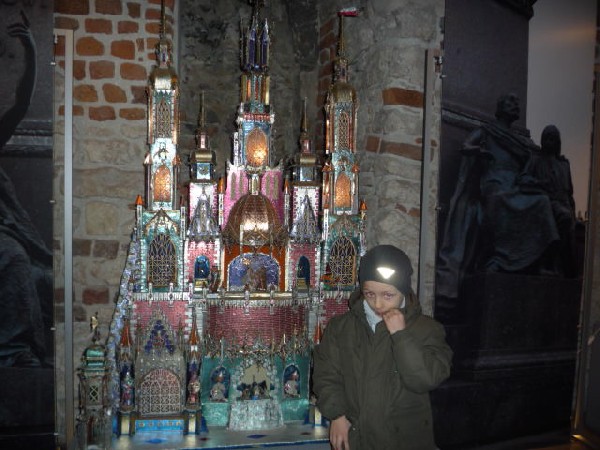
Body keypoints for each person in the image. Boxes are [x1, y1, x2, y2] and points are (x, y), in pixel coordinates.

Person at [313, 245, 453, 450]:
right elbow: (326, 374)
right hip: (355, 439)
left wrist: (401, 336)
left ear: (403, 291)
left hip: (404, 441)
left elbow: (425, 379)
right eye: (370, 294)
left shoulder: (427, 329)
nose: (378, 304)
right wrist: (337, 415)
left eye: (388, 295)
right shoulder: (341, 327)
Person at [436, 93, 558, 300]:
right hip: (494, 184)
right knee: (500, 201)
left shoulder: (519, 142)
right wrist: (481, 152)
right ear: (499, 108)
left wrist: (533, 182)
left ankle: (534, 260)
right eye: (510, 103)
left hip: (516, 185)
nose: (515, 106)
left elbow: (526, 170)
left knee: (542, 202)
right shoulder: (487, 131)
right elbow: (466, 146)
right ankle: (501, 258)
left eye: (517, 103)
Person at [0, 12, 52, 367]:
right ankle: (16, 349)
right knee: (14, 259)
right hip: (6, 242)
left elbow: (21, 104)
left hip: (6, 229)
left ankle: (24, 350)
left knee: (40, 275)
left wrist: (32, 52)